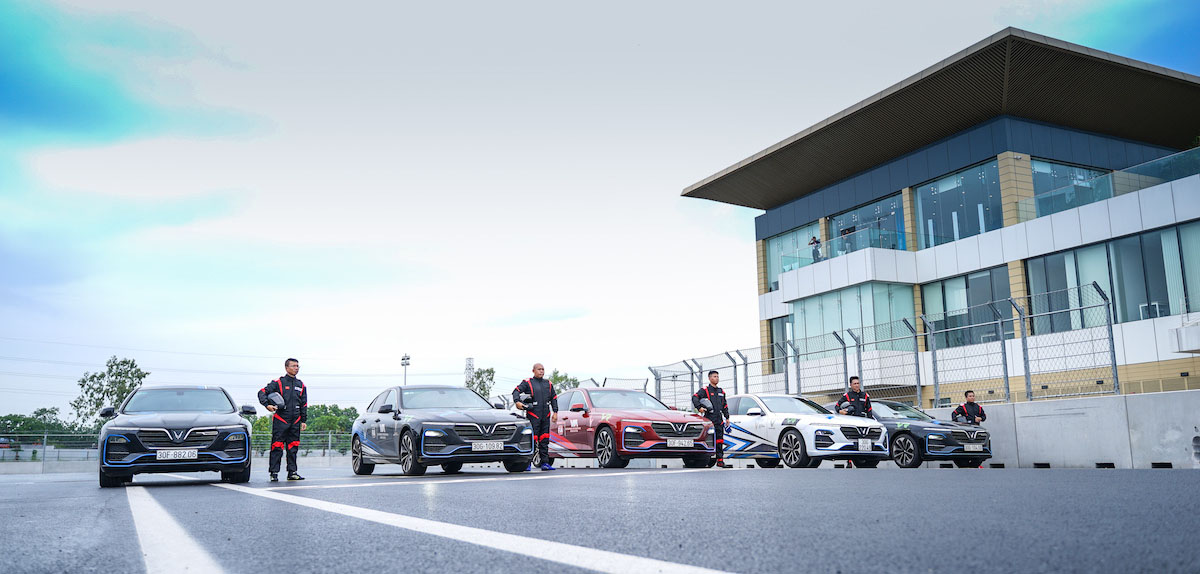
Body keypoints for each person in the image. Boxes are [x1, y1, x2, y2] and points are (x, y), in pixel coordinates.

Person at [258, 358, 308, 481]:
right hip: (281, 419)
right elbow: (262, 393)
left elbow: (304, 403)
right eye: (293, 366)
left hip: (295, 420)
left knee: (293, 447)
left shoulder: (301, 385)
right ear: (286, 368)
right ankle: (274, 473)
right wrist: (267, 405)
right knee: (277, 446)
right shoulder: (278, 382)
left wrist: (303, 420)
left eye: (298, 366)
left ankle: (292, 472)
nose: (296, 368)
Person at [512, 363, 558, 471]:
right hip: (533, 414)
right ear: (533, 371)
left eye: (543, 369)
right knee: (532, 439)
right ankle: (527, 464)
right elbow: (516, 391)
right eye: (539, 369)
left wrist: (555, 412)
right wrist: (517, 402)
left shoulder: (548, 383)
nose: (541, 371)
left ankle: (545, 463)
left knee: (545, 439)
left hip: (546, 414)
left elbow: (554, 397)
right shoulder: (527, 382)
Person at [691, 370, 730, 468]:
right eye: (714, 376)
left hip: (719, 419)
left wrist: (727, 417)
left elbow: (724, 405)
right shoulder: (705, 390)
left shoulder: (721, 391)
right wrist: (699, 407)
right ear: (709, 378)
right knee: (709, 439)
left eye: (717, 376)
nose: (716, 378)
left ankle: (720, 461)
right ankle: (706, 460)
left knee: (720, 440)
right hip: (709, 419)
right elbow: (695, 397)